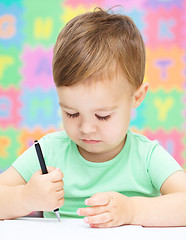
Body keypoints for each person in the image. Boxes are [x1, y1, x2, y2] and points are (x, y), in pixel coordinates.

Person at [0, 7, 186, 228]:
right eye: (72, 113)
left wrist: (133, 210)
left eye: (103, 116)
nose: (86, 128)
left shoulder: (147, 157)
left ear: (136, 97)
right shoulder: (50, 150)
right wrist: (25, 198)